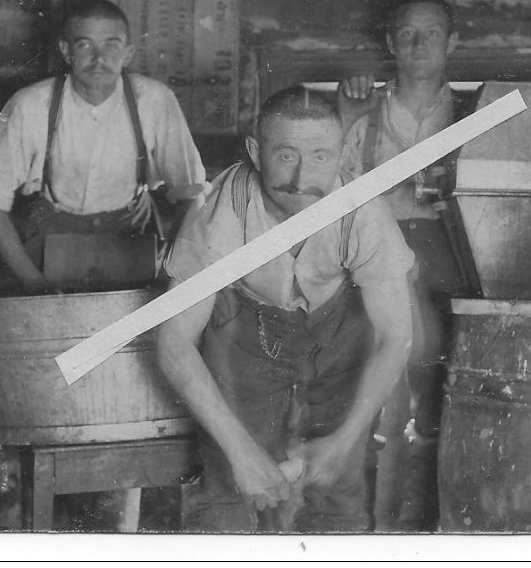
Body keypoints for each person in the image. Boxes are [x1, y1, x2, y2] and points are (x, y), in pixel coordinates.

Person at [157, 86, 415, 532]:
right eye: (287, 156)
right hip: (247, 327)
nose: (301, 182)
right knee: (228, 485)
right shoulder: (219, 211)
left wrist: (342, 441)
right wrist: (241, 454)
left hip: (338, 328)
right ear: (256, 151)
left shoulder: (364, 209)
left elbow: (396, 338)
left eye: (320, 157)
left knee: (340, 485)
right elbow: (173, 344)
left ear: (345, 151)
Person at [338, 0, 481, 530]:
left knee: (441, 395)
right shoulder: (363, 110)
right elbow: (337, 195)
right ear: (389, 42)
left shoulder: (475, 112)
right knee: (374, 396)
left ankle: (432, 527)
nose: (419, 44)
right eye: (407, 33)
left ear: (452, 43)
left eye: (432, 33)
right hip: (377, 261)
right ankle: (374, 525)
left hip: (450, 260)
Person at [0, 0, 207, 294]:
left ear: (128, 52)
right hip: (52, 237)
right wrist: (33, 283)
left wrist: (170, 272)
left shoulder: (155, 101)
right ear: (66, 51)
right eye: (84, 45)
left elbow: (194, 196)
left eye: (112, 44)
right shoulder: (30, 105)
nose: (99, 58)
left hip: (133, 240)